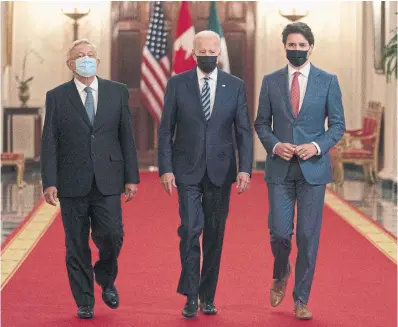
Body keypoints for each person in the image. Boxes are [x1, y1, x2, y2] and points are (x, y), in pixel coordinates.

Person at [41, 39, 139, 319]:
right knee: (76, 243)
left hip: (108, 178)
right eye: (79, 56)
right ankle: (84, 300)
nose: (85, 59)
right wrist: (49, 181)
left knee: (112, 235)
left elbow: (126, 137)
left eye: (90, 55)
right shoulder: (57, 96)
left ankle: (105, 278)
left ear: (97, 61)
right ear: (70, 64)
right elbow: (49, 142)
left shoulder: (117, 92)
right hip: (71, 181)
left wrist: (131, 177)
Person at [158, 30, 253, 318]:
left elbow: (244, 131)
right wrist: (166, 169)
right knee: (189, 230)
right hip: (186, 168)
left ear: (219, 53)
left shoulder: (234, 85)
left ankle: (207, 295)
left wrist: (246, 169)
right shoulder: (177, 84)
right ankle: (189, 295)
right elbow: (165, 130)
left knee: (215, 233)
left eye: (214, 51)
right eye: (203, 50)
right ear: (193, 52)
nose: (209, 55)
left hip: (222, 171)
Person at [254, 22, 345, 320]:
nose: (296, 50)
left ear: (310, 47)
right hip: (280, 170)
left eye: (301, 46)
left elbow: (338, 127)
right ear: (284, 47)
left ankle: (301, 299)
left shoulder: (328, 81)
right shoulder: (270, 81)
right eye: (291, 46)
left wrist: (317, 147)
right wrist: (275, 145)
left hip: (313, 171)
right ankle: (281, 270)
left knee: (307, 236)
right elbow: (261, 124)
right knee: (280, 233)